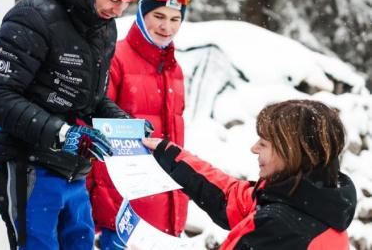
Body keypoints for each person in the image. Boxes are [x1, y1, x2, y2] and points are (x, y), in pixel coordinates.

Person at [0, 0, 137, 249]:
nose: (119, 10)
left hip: (75, 172)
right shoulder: (33, 14)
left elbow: (90, 101)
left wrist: (126, 126)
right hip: (29, 165)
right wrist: (63, 134)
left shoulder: (105, 26)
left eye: (130, 1)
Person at [143, 99, 357, 250]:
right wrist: (170, 155)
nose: (254, 148)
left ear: (291, 153)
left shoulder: (278, 227)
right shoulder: (317, 201)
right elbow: (229, 198)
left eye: (263, 144)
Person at [86, 0, 190, 248]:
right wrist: (105, 208)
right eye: (159, 17)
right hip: (124, 212)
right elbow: (96, 132)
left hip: (167, 210)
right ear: (142, 16)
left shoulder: (174, 69)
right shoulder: (116, 57)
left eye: (175, 19)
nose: (167, 27)